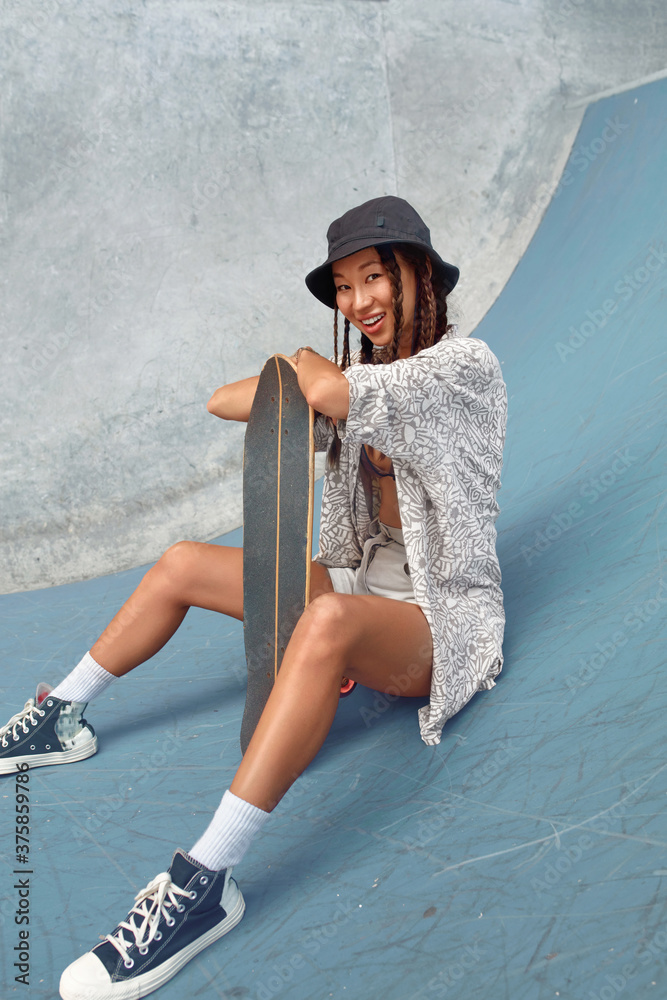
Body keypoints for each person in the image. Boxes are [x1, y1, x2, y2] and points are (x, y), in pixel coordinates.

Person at [0, 196, 507, 1000]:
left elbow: (339, 399)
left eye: (374, 277)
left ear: (420, 276)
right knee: (180, 563)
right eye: (342, 287)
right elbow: (227, 402)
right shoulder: (355, 375)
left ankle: (205, 883)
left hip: (434, 619)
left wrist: (312, 374)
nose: (358, 302)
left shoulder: (463, 369)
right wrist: (293, 373)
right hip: (355, 576)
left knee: (329, 619)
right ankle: (62, 713)